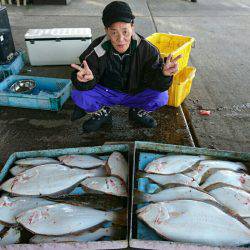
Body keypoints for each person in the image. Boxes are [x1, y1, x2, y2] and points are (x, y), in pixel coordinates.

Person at [71, 1, 181, 133]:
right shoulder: (97, 49)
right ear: (106, 31)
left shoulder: (148, 50)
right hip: (107, 93)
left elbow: (157, 84)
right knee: (79, 94)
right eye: (114, 33)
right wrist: (84, 79)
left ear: (132, 27)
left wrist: (164, 75)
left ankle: (137, 111)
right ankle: (102, 112)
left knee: (161, 96)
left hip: (136, 93)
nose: (120, 39)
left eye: (125, 31)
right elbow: (85, 74)